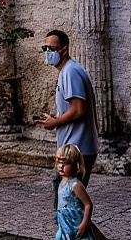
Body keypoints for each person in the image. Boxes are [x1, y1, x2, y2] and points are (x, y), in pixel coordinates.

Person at [41, 29, 100, 180]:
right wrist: (56, 117)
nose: (48, 52)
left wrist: (55, 122)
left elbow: (79, 110)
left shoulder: (70, 72)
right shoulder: (67, 71)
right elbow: (72, 108)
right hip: (72, 149)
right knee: (67, 199)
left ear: (64, 49)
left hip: (76, 150)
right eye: (45, 48)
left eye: (52, 49)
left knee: (68, 201)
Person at [54, 143, 95, 240]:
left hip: (75, 223)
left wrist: (84, 223)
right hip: (65, 225)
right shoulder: (61, 182)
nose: (61, 166)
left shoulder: (75, 185)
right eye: (59, 162)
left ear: (75, 165)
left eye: (65, 163)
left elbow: (88, 204)